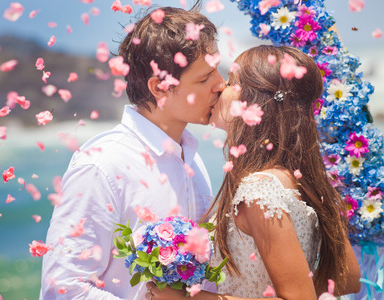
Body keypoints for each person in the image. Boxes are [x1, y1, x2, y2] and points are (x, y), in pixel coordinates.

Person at [145, 45, 361, 300]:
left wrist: (188, 298)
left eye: (231, 82)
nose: (219, 87)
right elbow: (347, 278)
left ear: (255, 101)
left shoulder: (259, 189)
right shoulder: (300, 177)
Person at [40, 5, 225, 299]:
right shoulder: (102, 165)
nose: (220, 84)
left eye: (217, 71)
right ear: (161, 87)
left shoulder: (192, 157)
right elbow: (62, 289)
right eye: (204, 78)